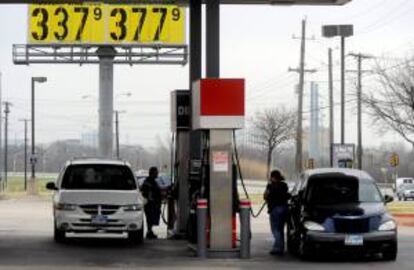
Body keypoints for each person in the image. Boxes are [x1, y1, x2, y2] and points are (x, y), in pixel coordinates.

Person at [264, 170, 291, 256]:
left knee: (275, 230)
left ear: (272, 177)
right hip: (285, 209)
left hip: (275, 209)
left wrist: (268, 187)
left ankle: (278, 248)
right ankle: (280, 247)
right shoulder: (284, 185)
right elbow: (287, 195)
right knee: (280, 229)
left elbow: (265, 196)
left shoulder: (270, 186)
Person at [141, 167, 162, 239]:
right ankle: (149, 232)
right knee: (150, 217)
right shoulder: (148, 181)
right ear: (152, 173)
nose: (157, 174)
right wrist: (150, 198)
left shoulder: (152, 181)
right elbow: (146, 191)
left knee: (151, 218)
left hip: (152, 203)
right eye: (156, 172)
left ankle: (150, 231)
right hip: (150, 204)